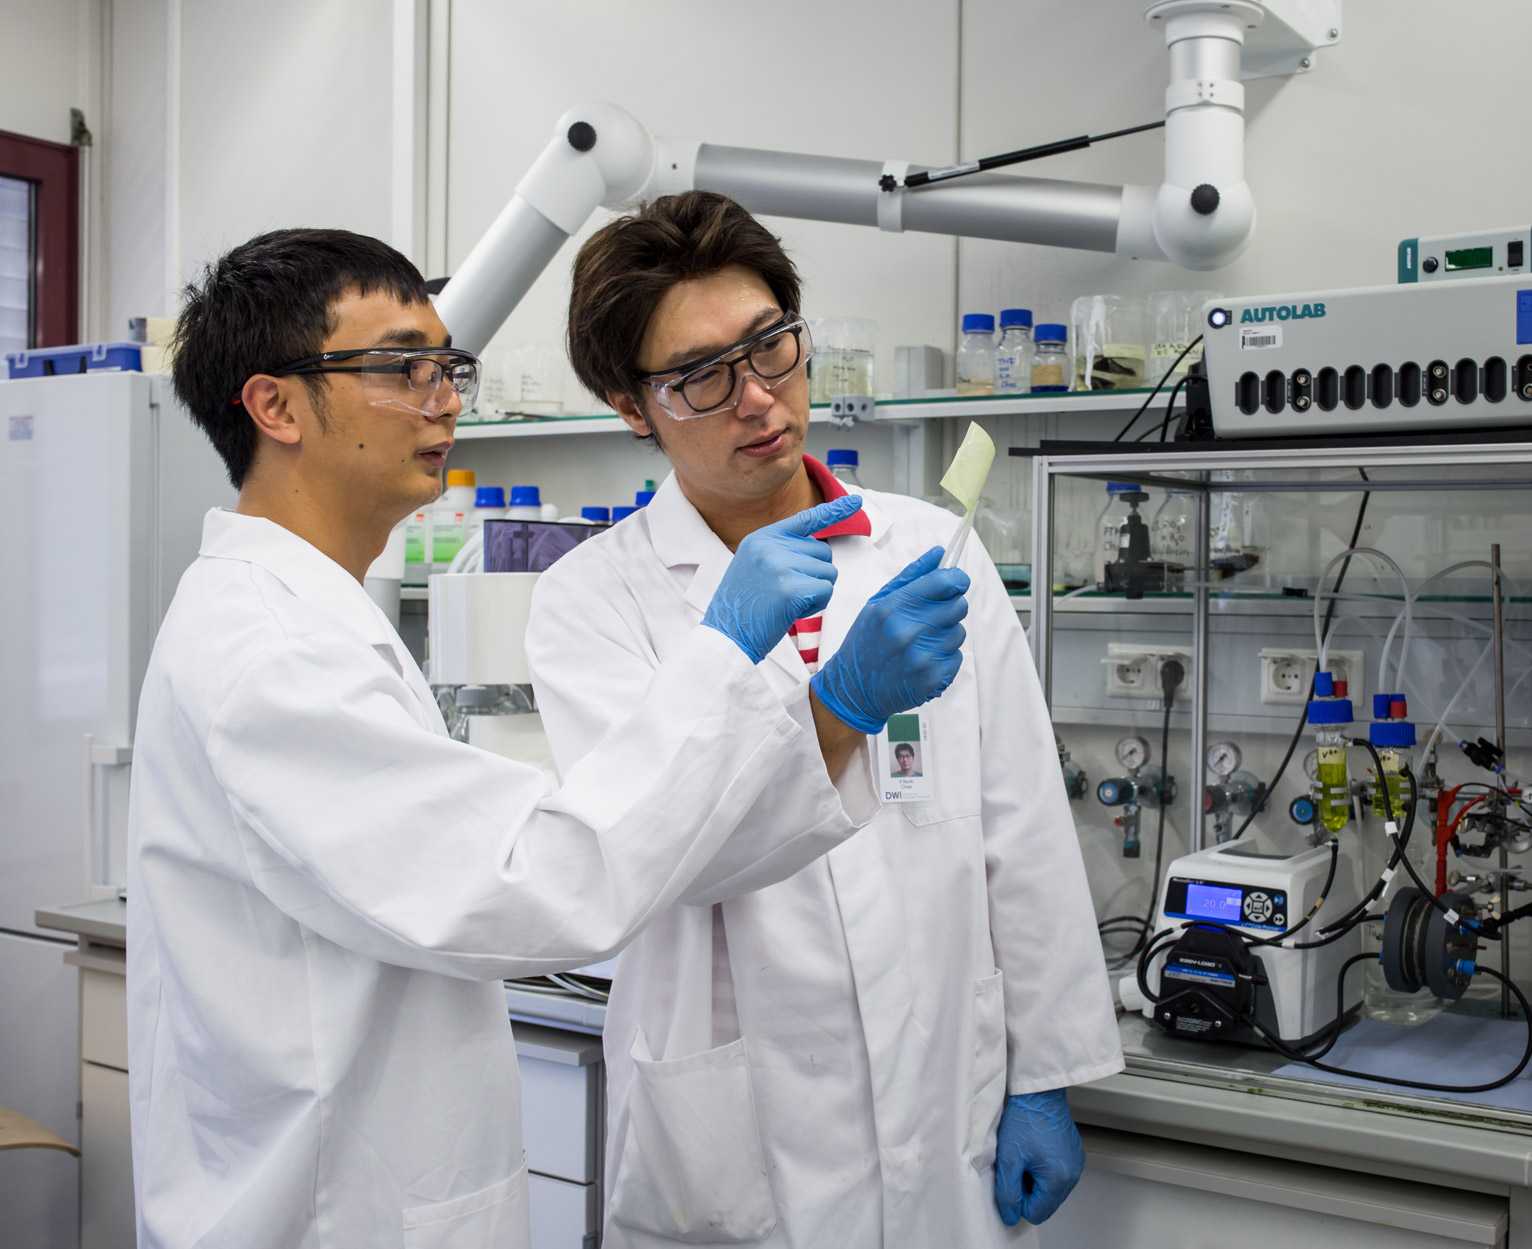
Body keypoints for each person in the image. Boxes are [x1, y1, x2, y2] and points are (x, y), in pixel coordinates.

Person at [127, 228, 969, 1249]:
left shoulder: (310, 620)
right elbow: (542, 882)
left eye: (449, 367)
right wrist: (734, 658)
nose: (446, 399)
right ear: (276, 405)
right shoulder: (272, 652)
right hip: (322, 1212)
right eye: (403, 367)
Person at [528, 191, 1123, 1248]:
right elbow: (651, 851)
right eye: (701, 375)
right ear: (631, 406)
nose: (758, 396)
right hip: (736, 1102)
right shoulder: (590, 600)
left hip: (942, 1089)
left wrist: (1047, 1070)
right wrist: (838, 706)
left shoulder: (930, 550)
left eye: (771, 345)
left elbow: (1020, 819)